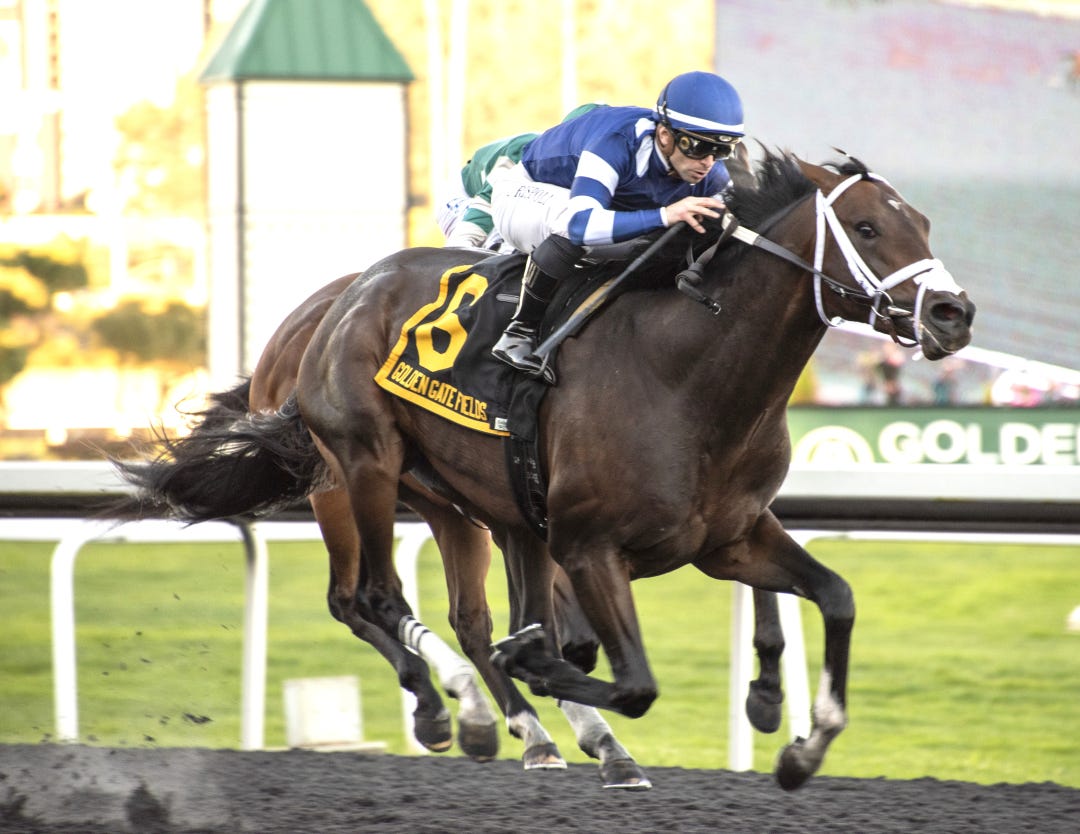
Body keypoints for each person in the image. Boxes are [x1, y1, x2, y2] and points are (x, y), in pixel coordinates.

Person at [489, 71, 745, 378]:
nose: (709, 162)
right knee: (574, 225)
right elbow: (581, 225)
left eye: (721, 150)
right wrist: (665, 215)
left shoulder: (712, 175)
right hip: (526, 194)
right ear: (666, 136)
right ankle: (519, 333)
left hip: (601, 208)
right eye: (700, 147)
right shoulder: (617, 142)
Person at [436, 104, 601, 250]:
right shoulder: (526, 151)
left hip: (501, 199)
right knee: (504, 234)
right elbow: (487, 202)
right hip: (467, 196)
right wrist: (459, 245)